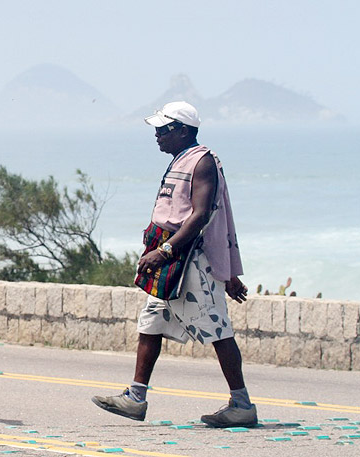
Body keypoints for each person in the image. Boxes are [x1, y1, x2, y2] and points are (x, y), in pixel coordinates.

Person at [91, 101, 256, 428]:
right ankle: (136, 398)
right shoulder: (181, 160)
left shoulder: (203, 162)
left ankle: (241, 404)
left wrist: (165, 251)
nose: (157, 136)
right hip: (172, 259)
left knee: (218, 328)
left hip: (188, 260)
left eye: (163, 130)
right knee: (151, 322)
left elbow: (202, 216)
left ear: (183, 130)